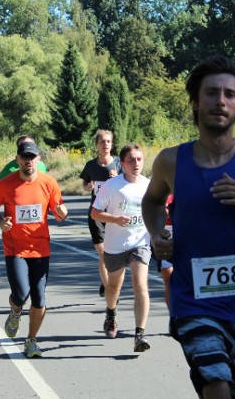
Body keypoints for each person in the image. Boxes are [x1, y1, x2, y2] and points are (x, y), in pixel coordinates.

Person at [142, 54, 235, 399]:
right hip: (192, 300)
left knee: (231, 390)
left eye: (230, 94)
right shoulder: (170, 160)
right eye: (211, 93)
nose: (220, 101)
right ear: (196, 101)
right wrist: (156, 234)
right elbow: (151, 201)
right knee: (216, 382)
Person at [0, 141, 68, 358]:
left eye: (32, 157)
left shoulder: (49, 183)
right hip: (15, 248)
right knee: (22, 294)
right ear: (18, 160)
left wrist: (62, 212)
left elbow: (59, 212)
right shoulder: (6, 184)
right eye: (25, 157)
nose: (28, 161)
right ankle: (15, 310)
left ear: (38, 160)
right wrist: (0, 221)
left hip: (41, 248)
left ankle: (31, 340)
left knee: (39, 299)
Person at [91, 143, 151, 353]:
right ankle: (111, 312)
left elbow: (156, 211)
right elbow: (95, 213)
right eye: (131, 160)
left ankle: (139, 334)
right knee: (114, 286)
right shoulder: (112, 185)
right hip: (115, 245)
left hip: (140, 243)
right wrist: (115, 219)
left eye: (139, 159)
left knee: (140, 284)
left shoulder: (148, 185)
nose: (136, 164)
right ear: (123, 163)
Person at [80, 129, 122, 298]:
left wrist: (118, 177)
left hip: (115, 213)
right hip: (96, 214)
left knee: (113, 254)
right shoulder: (91, 165)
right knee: (103, 253)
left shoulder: (119, 163)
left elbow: (129, 182)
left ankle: (108, 284)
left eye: (108, 141)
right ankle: (110, 290)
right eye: (102, 141)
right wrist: (87, 187)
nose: (106, 144)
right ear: (96, 145)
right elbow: (84, 184)